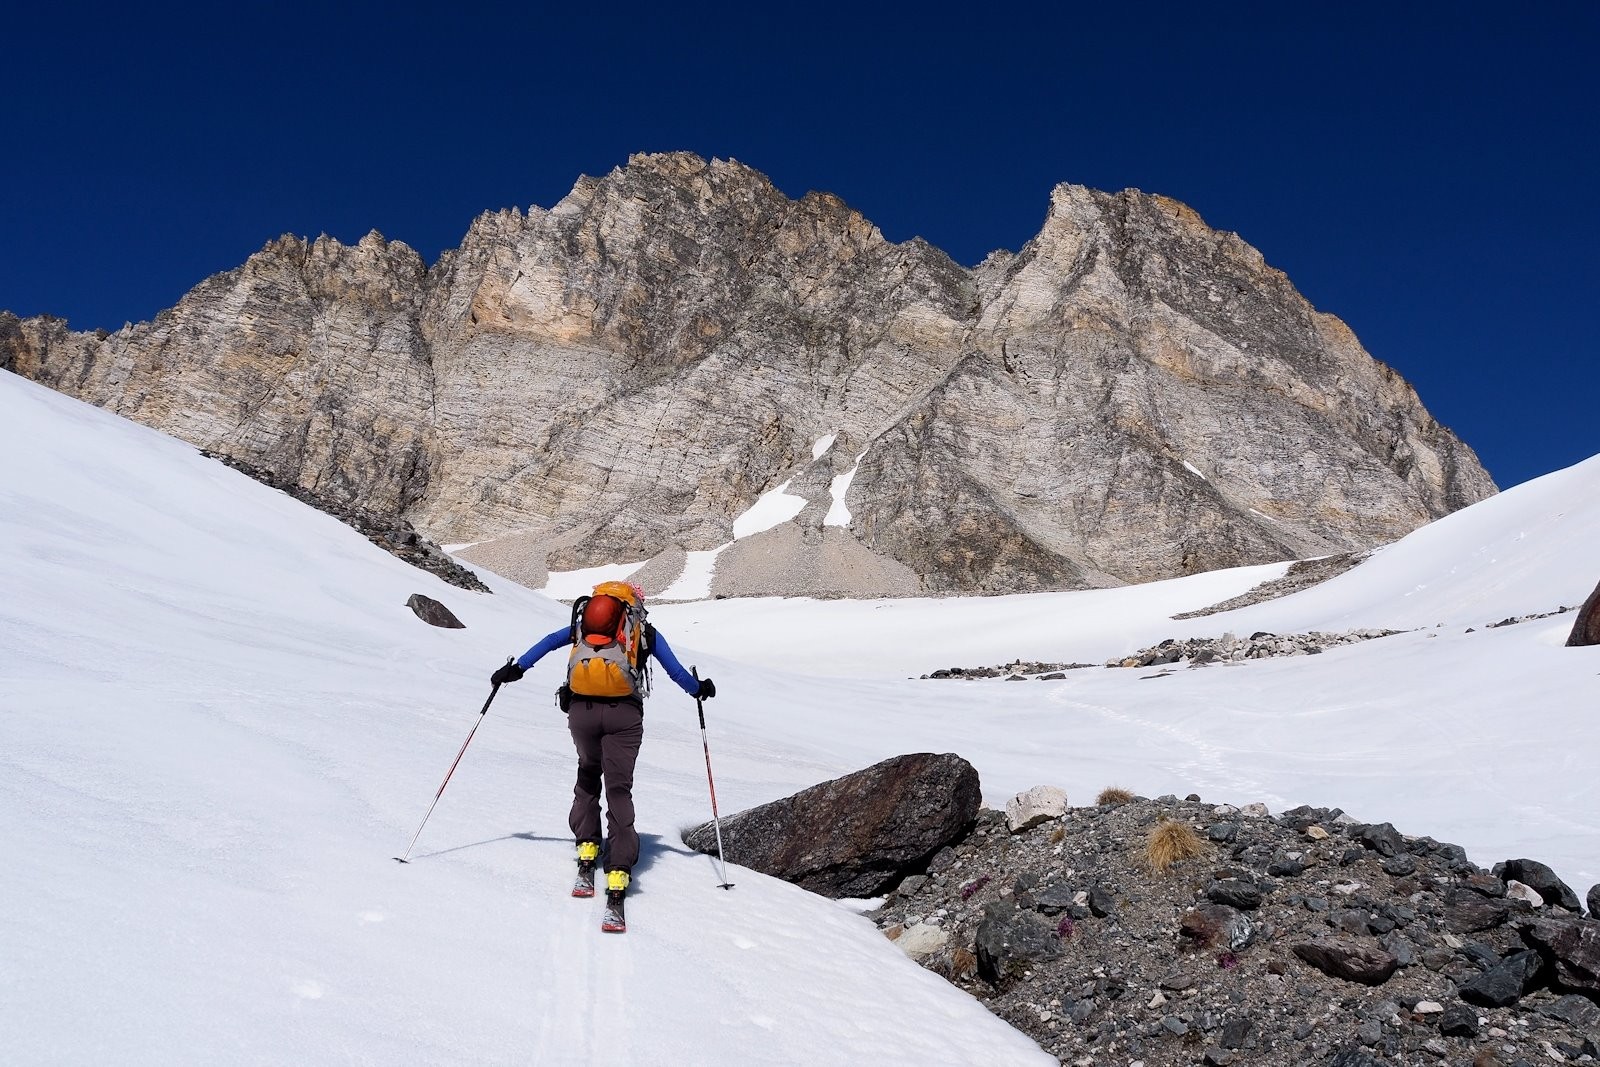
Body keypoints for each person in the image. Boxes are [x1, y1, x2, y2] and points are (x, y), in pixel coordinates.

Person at [489, 581, 714, 922]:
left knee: (587, 774)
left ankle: (587, 847)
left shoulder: (583, 624)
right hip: (624, 715)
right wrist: (700, 689)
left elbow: (549, 643)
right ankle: (618, 870)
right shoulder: (642, 631)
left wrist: (516, 669)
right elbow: (676, 672)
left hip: (582, 712)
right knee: (619, 788)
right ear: (635, 603)